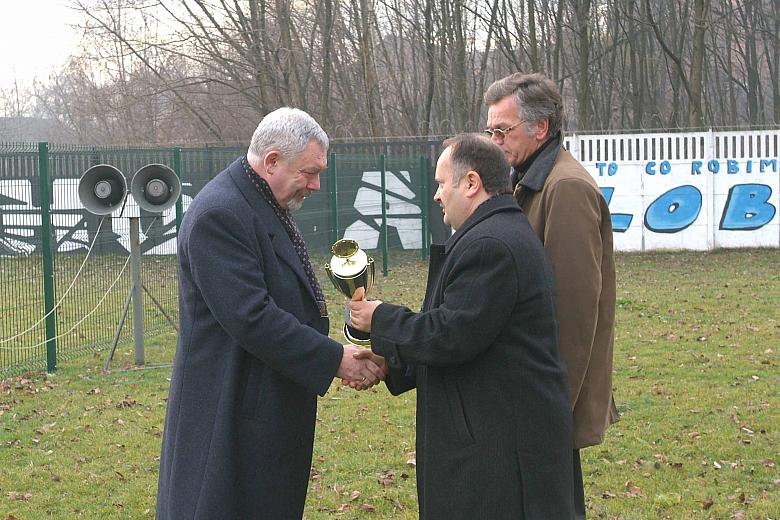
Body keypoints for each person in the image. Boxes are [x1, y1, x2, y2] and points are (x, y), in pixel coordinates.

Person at [155, 107, 386, 520]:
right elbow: (252, 317)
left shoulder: (259, 200)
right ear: (272, 161)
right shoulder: (220, 214)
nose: (316, 184)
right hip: (227, 409)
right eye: (309, 172)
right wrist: (335, 360)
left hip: (260, 403)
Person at [348, 134, 574, 519]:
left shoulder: (492, 245)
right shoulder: (491, 236)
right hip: (492, 438)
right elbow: (470, 335)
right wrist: (393, 365)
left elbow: (451, 335)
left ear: (471, 183)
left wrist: (380, 317)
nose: (436, 195)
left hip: (498, 454)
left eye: (441, 183)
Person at [484, 72, 619, 519]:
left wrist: (551, 407)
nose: (494, 141)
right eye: (490, 131)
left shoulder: (566, 188)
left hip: (549, 398)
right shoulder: (531, 179)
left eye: (502, 131)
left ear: (540, 128)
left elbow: (574, 313)